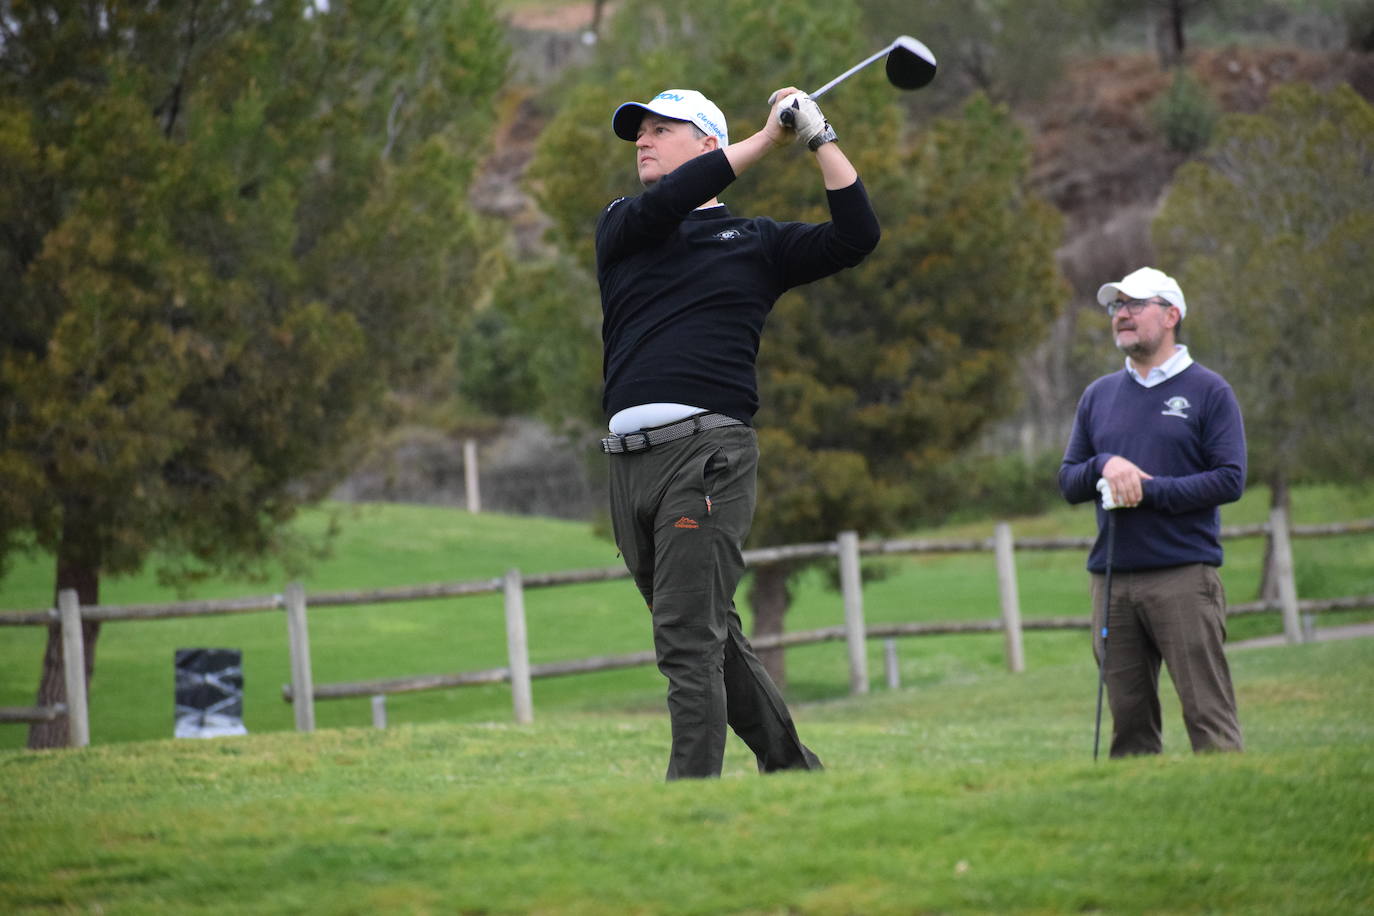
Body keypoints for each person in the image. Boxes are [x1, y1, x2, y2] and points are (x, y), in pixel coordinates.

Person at [595, 87, 880, 779]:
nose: (644, 140)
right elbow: (671, 202)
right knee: (711, 637)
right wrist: (765, 142)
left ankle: (691, 797)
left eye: (663, 129)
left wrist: (818, 137)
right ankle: (792, 770)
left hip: (706, 455)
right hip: (627, 467)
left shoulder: (755, 242)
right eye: (641, 131)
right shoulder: (624, 224)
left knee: (687, 637)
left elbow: (856, 236)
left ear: (706, 144)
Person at [1059, 266, 1247, 757]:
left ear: (1171, 315)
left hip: (1184, 575)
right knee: (1129, 724)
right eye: (1115, 306)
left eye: (1133, 305)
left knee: (1208, 717)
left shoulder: (1210, 391)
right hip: (1113, 580)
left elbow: (1230, 479)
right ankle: (1136, 815)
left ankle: (1231, 806)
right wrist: (1105, 464)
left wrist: (1148, 489)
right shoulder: (1098, 396)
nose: (1121, 314)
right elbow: (1069, 480)